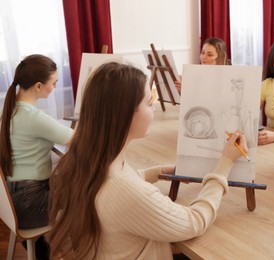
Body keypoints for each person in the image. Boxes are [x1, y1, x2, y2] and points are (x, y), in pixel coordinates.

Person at [47, 62, 248, 259]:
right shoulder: (124, 190)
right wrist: (225, 164)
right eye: (149, 103)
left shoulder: (87, 161)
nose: (153, 109)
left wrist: (157, 171)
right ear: (124, 115)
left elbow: (121, 188)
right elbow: (194, 221)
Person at [0, 54, 74, 259]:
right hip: (29, 204)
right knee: (87, 195)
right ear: (39, 86)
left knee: (68, 182)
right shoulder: (33, 117)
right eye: (54, 83)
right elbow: (78, 140)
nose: (56, 86)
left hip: (13, 199)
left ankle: (44, 252)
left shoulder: (9, 111)